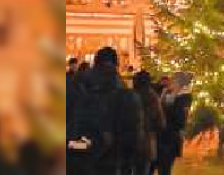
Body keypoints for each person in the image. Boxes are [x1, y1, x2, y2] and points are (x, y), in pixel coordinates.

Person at [66, 46, 143, 175]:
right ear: (117, 64)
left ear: (95, 62)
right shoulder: (126, 93)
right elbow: (133, 134)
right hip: (112, 162)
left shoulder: (75, 84)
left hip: (77, 159)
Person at [155, 72, 193, 175]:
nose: (171, 82)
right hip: (163, 137)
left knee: (165, 168)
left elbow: (179, 118)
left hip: (170, 137)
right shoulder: (170, 94)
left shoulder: (184, 97)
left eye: (173, 80)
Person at [132, 71, 165, 175]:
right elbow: (161, 123)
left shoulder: (130, 95)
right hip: (146, 142)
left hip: (128, 141)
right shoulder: (153, 97)